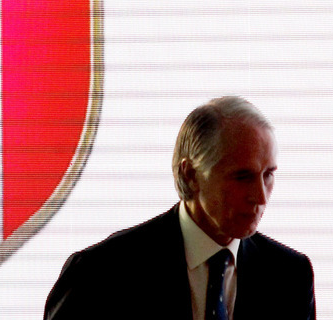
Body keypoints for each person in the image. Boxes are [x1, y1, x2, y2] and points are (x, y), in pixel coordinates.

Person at [44, 96, 315, 319]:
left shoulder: (290, 276)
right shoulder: (101, 274)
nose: (261, 197)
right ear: (190, 175)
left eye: (268, 175)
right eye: (242, 177)